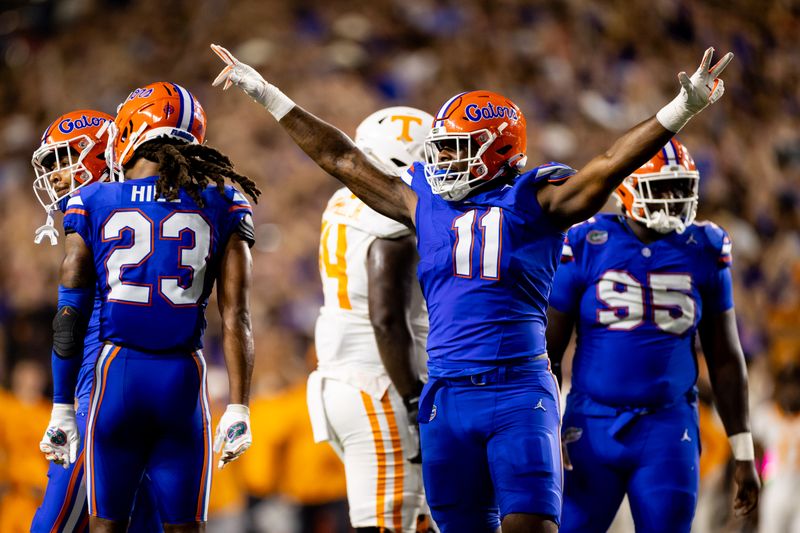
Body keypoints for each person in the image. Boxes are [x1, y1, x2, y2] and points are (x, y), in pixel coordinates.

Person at [211, 43, 733, 533]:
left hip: (518, 393)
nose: (440, 159)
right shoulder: (424, 202)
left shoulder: (536, 204)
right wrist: (267, 93)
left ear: (498, 150)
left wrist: (679, 110)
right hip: (446, 396)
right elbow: (343, 158)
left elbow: (608, 165)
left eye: (456, 147)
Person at [50, 82, 260, 532]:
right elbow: (236, 315)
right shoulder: (224, 201)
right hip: (183, 381)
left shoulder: (91, 200)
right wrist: (240, 406)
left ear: (130, 129)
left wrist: (62, 404)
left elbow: (70, 313)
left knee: (107, 526)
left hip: (115, 378)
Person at [545, 138, 760, 532]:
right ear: (627, 187)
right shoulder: (586, 243)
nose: (676, 199)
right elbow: (546, 351)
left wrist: (742, 449)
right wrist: (544, 428)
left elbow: (725, 357)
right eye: (662, 187)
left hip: (667, 427)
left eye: (682, 187)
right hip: (589, 425)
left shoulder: (705, 248)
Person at [32, 109, 163, 533]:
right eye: (49, 164)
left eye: (66, 158)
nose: (55, 174)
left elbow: (69, 323)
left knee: (55, 523)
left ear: (104, 154)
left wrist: (65, 406)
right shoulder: (141, 211)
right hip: (148, 392)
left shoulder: (97, 212)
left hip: (104, 394)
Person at [306, 106, 434, 532]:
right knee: (391, 520)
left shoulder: (342, 201)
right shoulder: (389, 216)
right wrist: (413, 396)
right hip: (379, 381)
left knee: (413, 515)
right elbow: (386, 317)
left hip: (346, 375)